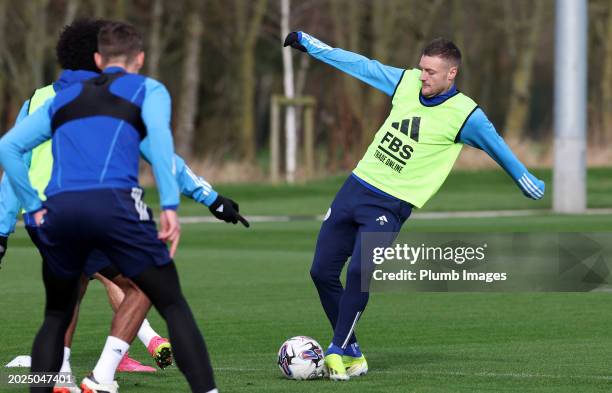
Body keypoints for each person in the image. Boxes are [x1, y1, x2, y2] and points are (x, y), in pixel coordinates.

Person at [284, 31, 545, 380]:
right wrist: (313, 46)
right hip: (354, 189)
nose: (423, 76)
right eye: (422, 68)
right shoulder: (407, 83)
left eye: (431, 72)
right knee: (321, 273)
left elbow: (497, 147)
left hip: (389, 206)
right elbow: (362, 66)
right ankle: (353, 351)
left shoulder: (466, 115)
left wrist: (524, 178)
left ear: (451, 74)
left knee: (360, 272)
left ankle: (335, 349)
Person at [0, 22, 236, 393]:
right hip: (108, 209)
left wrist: (11, 221)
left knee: (63, 303)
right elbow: (161, 153)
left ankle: (58, 378)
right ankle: (107, 374)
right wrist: (203, 199)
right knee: (154, 292)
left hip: (51, 218)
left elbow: (11, 153)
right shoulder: (125, 95)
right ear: (107, 59)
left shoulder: (45, 98)